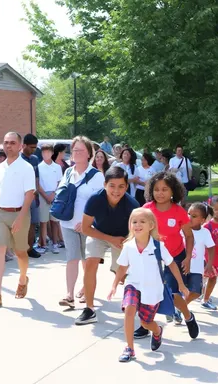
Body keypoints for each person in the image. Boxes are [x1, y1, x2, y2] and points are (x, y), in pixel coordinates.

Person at [107, 207, 189, 362]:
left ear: (151, 225)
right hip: (133, 285)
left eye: (142, 221)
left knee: (145, 322)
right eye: (134, 221)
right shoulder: (128, 246)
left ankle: (157, 331)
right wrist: (114, 285)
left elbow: (171, 264)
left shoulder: (158, 246)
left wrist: (181, 285)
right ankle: (129, 348)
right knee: (129, 311)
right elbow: (123, 267)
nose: (137, 225)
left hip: (152, 289)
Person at [137, 171, 199, 339]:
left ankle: (188, 316)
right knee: (147, 290)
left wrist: (187, 257)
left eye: (165, 189)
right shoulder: (146, 209)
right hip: (152, 257)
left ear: (173, 191)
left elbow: (189, 236)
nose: (160, 193)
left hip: (175, 256)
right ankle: (145, 323)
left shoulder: (179, 212)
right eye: (156, 189)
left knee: (172, 292)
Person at [75, 166, 138, 323]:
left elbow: (138, 231)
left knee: (122, 274)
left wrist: (128, 242)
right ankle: (89, 309)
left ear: (127, 187)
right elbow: (85, 228)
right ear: (104, 185)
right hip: (99, 233)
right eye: (112, 186)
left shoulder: (132, 205)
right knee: (90, 264)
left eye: (121, 186)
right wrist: (110, 239)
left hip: (123, 238)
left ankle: (129, 300)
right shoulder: (95, 199)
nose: (116, 191)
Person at [0, 132, 35, 307]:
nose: (8, 146)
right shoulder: (0, 167)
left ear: (20, 146)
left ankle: (22, 279)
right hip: (0, 214)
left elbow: (29, 195)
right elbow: (2, 188)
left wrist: (20, 217)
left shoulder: (26, 167)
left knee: (20, 252)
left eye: (12, 143)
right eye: (5, 143)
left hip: (19, 214)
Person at [56, 136, 104, 311]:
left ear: (89, 153)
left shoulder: (96, 176)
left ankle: (86, 288)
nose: (76, 153)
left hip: (88, 226)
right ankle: (69, 295)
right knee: (72, 258)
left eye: (80, 150)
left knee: (87, 261)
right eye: (74, 150)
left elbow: (99, 203)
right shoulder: (68, 172)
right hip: (67, 222)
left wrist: (85, 222)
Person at [183, 203, 215, 305]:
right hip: (182, 266)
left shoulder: (205, 232)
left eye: (194, 216)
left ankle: (181, 306)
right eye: (188, 214)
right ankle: (177, 309)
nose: (189, 217)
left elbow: (211, 248)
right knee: (178, 290)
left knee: (197, 292)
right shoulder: (182, 230)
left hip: (197, 268)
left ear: (202, 220)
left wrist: (209, 264)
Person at [37, 144, 63, 254]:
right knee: (43, 221)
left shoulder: (57, 167)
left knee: (55, 221)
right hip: (42, 195)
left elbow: (59, 182)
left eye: (48, 152)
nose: (46, 154)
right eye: (43, 152)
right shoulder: (38, 167)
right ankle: (43, 244)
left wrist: (53, 194)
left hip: (54, 195)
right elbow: (37, 183)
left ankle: (55, 243)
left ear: (52, 153)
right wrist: (45, 196)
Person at [21, 134, 43, 257]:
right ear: (24, 145)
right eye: (31, 147)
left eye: (35, 147)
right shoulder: (18, 159)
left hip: (33, 196)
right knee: (22, 223)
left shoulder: (34, 159)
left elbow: (36, 177)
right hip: (22, 197)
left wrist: (37, 195)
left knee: (33, 223)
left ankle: (29, 248)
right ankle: (20, 248)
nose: (33, 150)